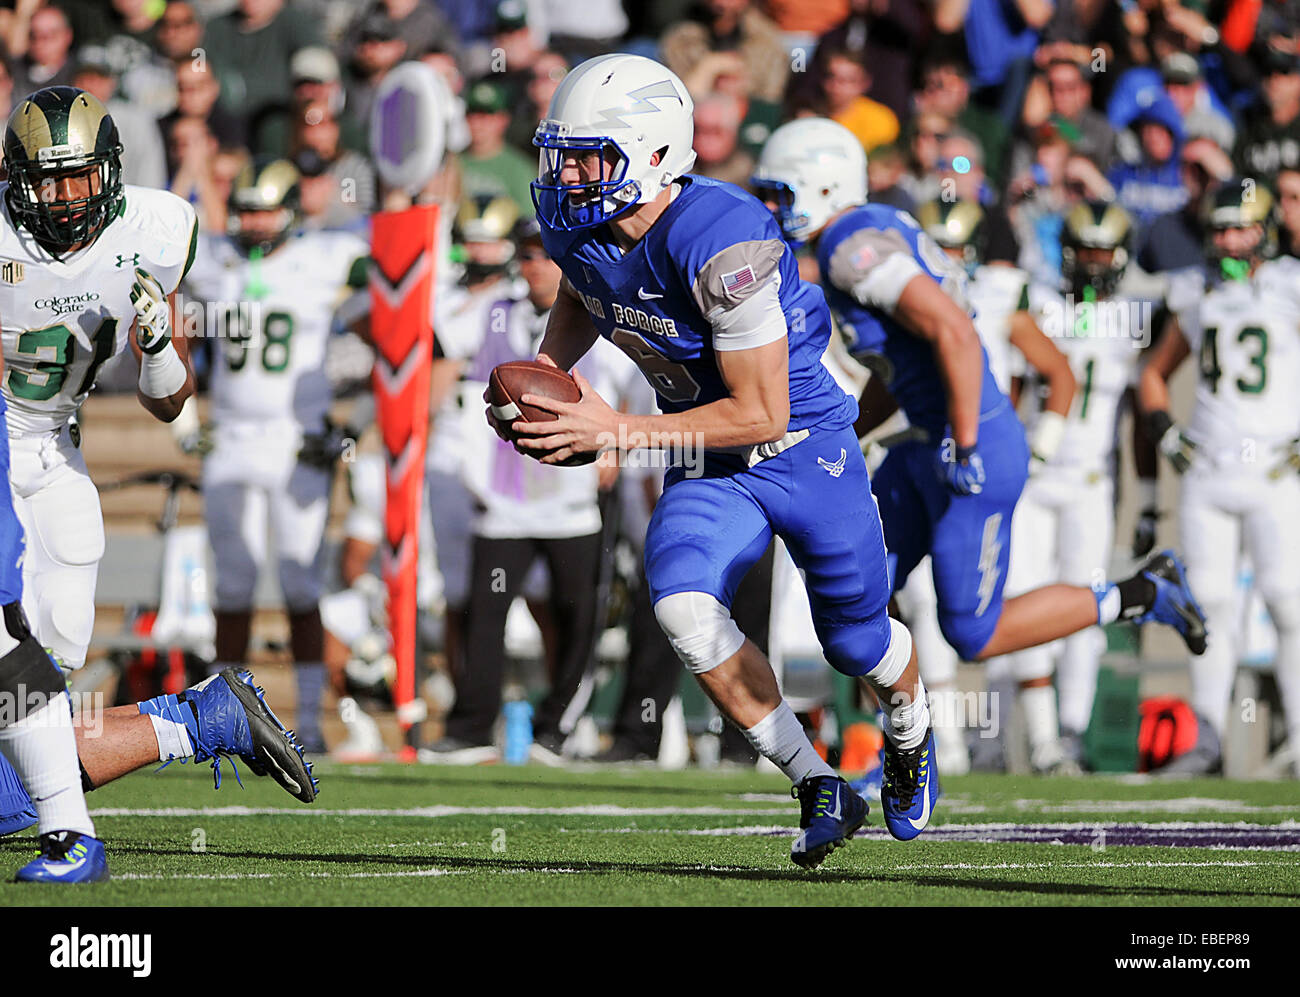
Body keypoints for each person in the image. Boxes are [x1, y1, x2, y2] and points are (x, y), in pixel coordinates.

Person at [506, 54, 936, 864]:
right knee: (682, 609)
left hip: (801, 446)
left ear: (656, 154)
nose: (565, 176)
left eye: (587, 156)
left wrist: (617, 431)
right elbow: (582, 288)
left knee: (856, 641)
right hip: (708, 455)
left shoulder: (722, 236)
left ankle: (910, 728)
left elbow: (760, 409)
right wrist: (550, 377)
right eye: (558, 155)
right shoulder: (578, 227)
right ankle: (818, 783)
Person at [751, 117, 1208, 694]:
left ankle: (1141, 593)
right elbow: (903, 364)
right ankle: (899, 746)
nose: (769, 206)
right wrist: (843, 429)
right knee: (854, 603)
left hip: (970, 446)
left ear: (822, 187)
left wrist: (964, 440)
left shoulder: (850, 245)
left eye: (780, 192)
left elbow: (955, 334)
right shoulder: (868, 228)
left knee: (971, 632)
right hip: (926, 441)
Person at [0, 87, 316, 840]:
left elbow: (169, 406)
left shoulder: (158, 230)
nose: (69, 197)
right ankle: (193, 722)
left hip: (53, 460)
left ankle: (197, 720)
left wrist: (159, 346)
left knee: (36, 693)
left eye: (82, 176)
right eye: (51, 180)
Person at [183, 158, 370, 754]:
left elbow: (393, 311)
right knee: (233, 585)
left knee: (299, 580)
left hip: (299, 438)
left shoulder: (325, 258)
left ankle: (309, 721)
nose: (254, 221)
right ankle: (219, 722)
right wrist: (186, 416)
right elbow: (160, 309)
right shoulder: (215, 261)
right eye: (245, 209)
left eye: (265, 208)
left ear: (292, 209)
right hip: (232, 437)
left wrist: (358, 418)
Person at [1137, 181, 1300, 775]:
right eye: (1221, 229)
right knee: (1210, 604)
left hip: (1278, 467)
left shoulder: (1288, 284)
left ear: (1265, 231)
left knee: (1289, 601)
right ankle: (1206, 736)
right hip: (1208, 467)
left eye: (1240, 228)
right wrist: (1168, 432)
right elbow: (1152, 374)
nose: (1228, 240)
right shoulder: (1195, 291)